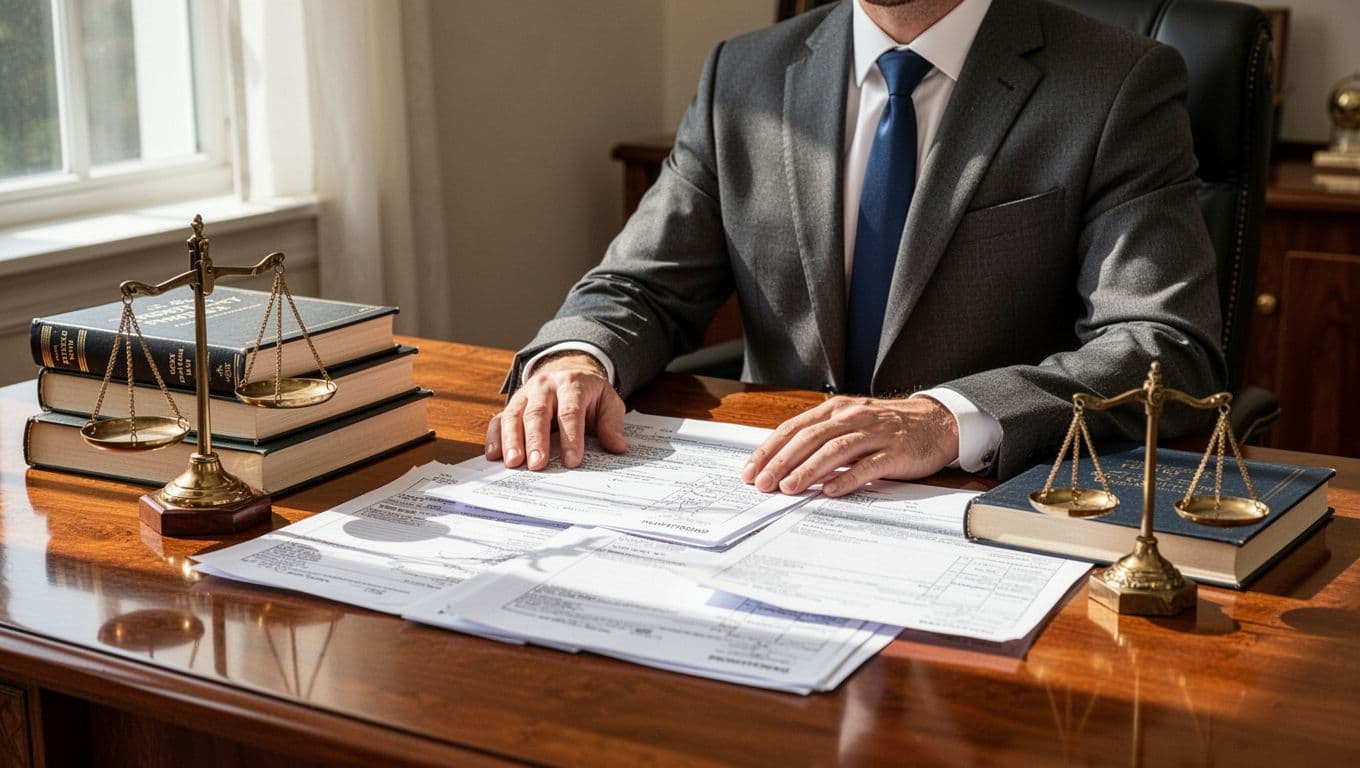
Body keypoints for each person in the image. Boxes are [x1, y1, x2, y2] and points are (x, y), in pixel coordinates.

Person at [484, 0, 1225, 493]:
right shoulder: (741, 76)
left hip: (991, 500)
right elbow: (641, 285)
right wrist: (578, 356)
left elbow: (1162, 340)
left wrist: (944, 419)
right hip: (770, 497)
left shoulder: (1116, 83)